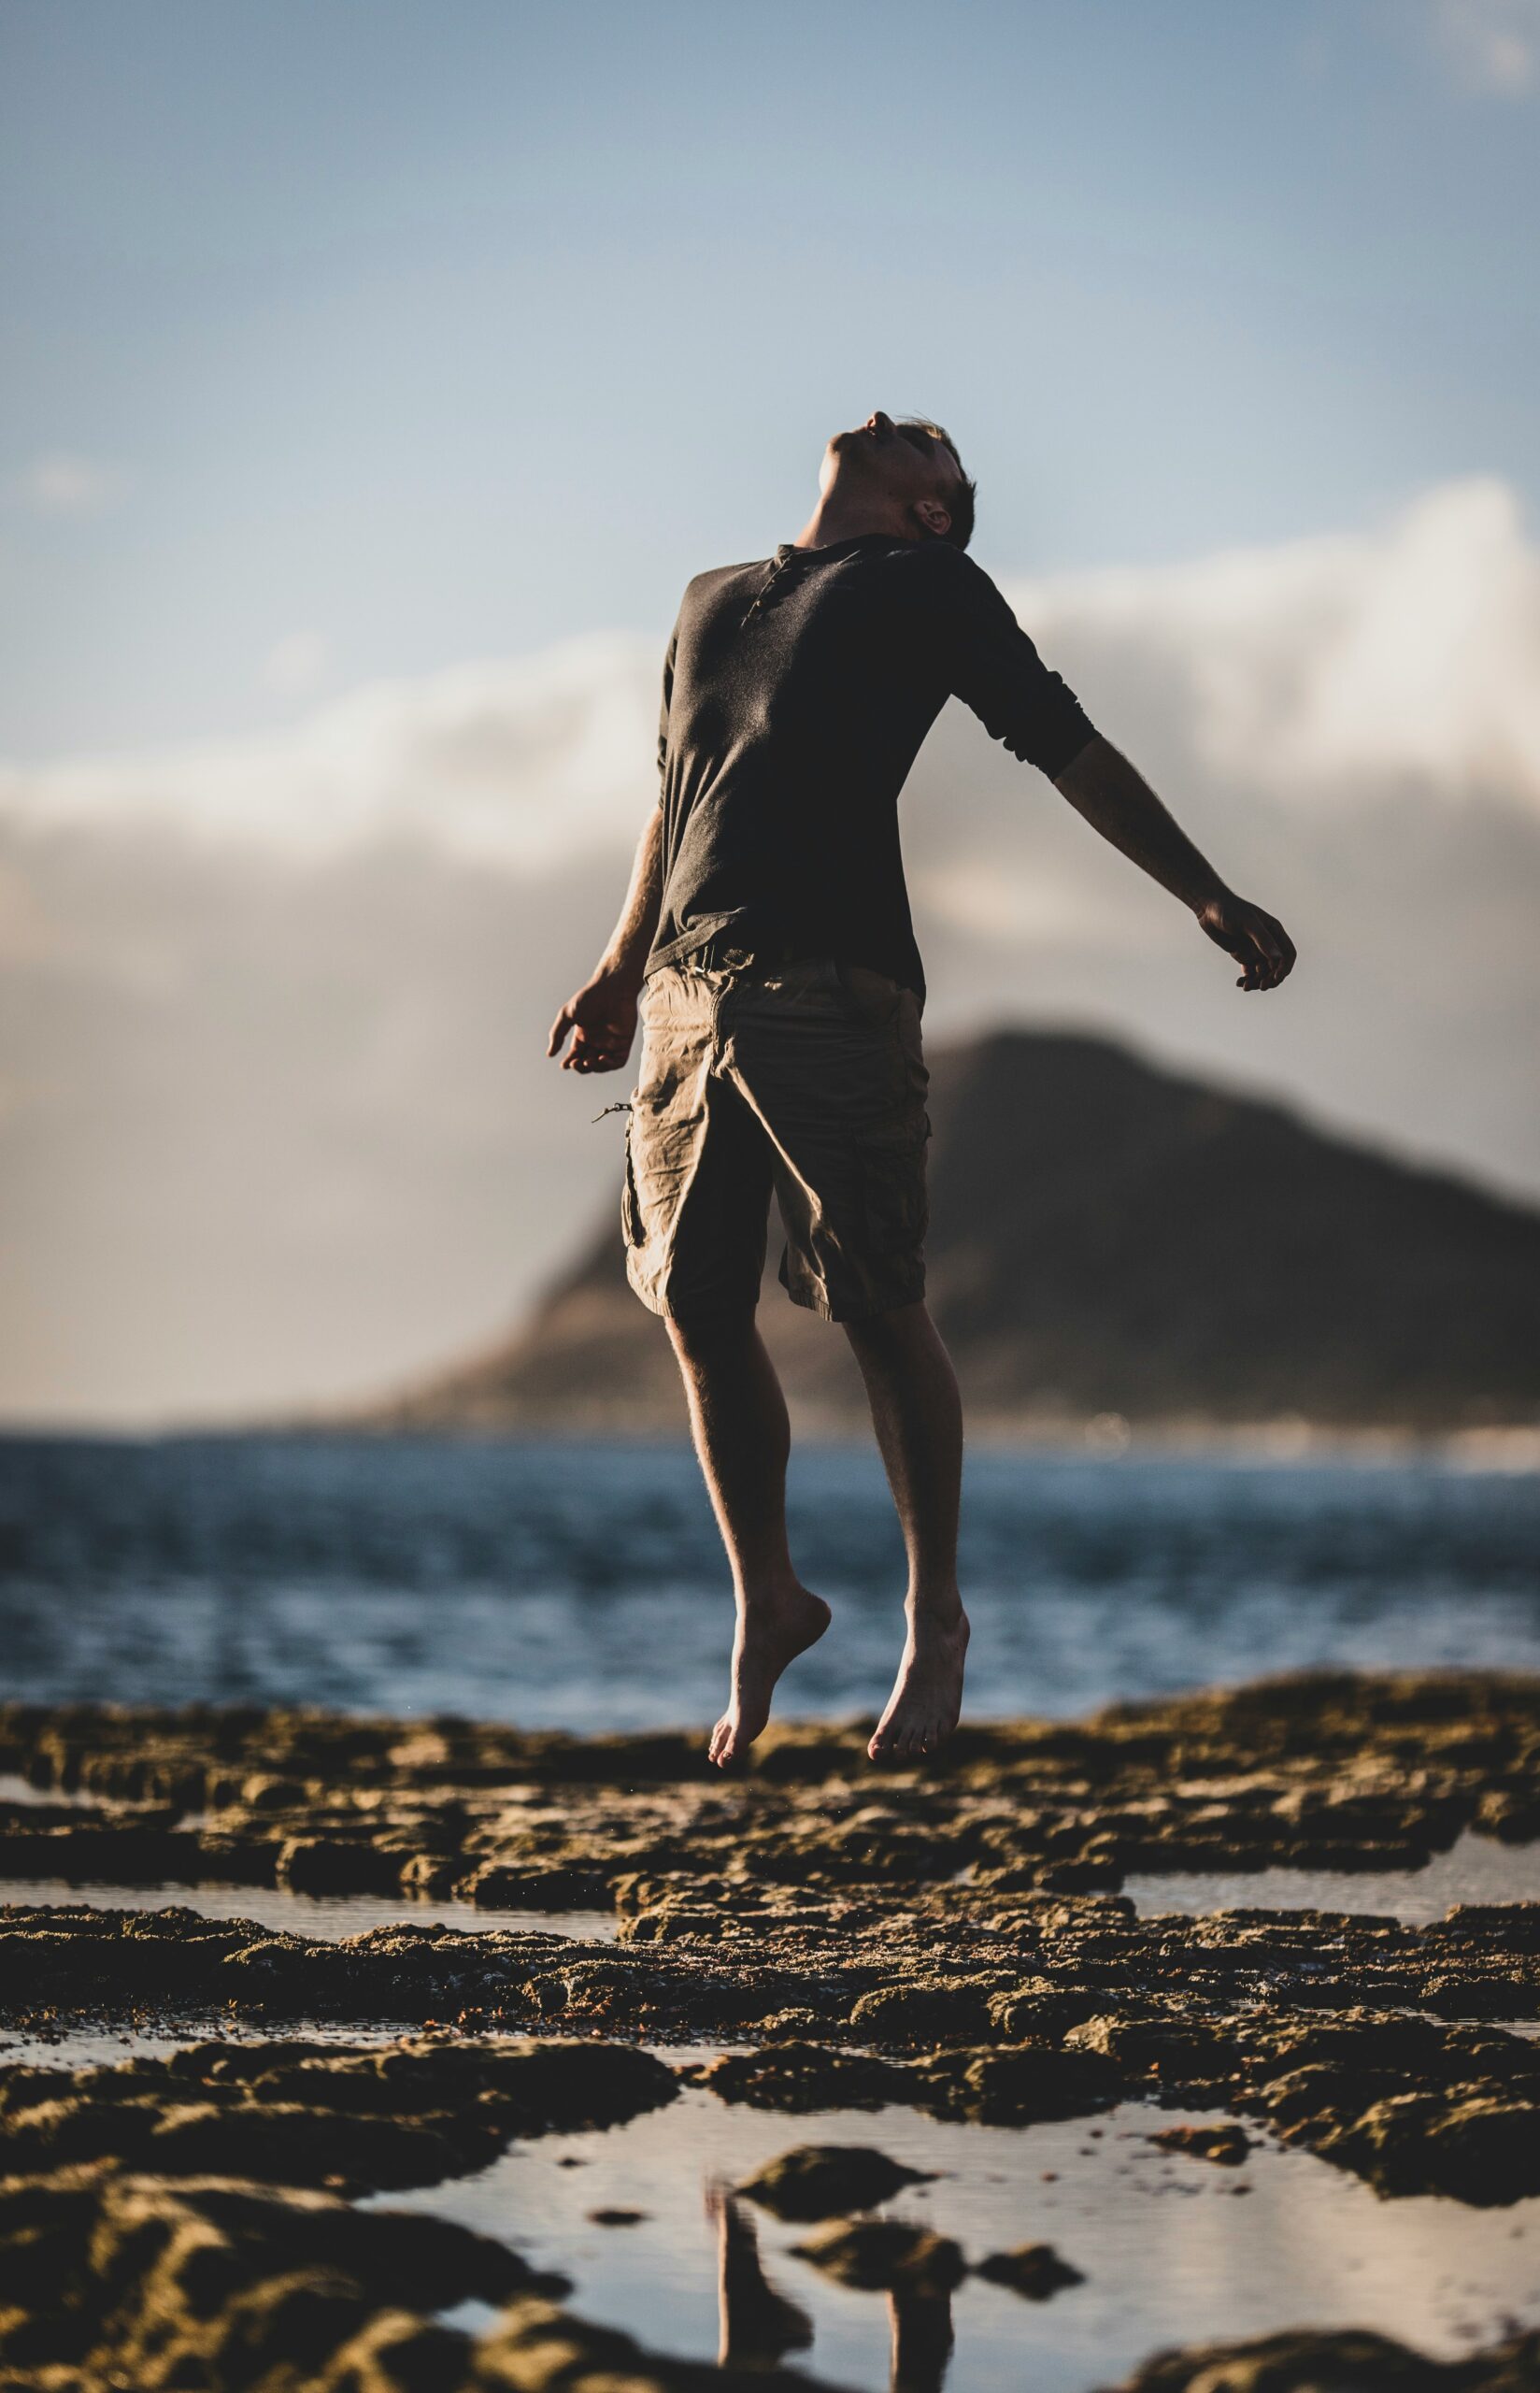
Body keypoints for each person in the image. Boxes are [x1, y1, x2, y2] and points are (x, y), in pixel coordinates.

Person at [548, 411, 1295, 1770]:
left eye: (939, 450)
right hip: (680, 1003)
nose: (911, 428)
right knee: (696, 1304)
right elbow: (674, 788)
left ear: (931, 511)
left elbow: (1065, 743)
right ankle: (768, 1597)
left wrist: (1205, 890)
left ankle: (934, 1623)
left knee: (880, 1306)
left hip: (834, 987)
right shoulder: (710, 597)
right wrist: (614, 967)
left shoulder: (925, 589)